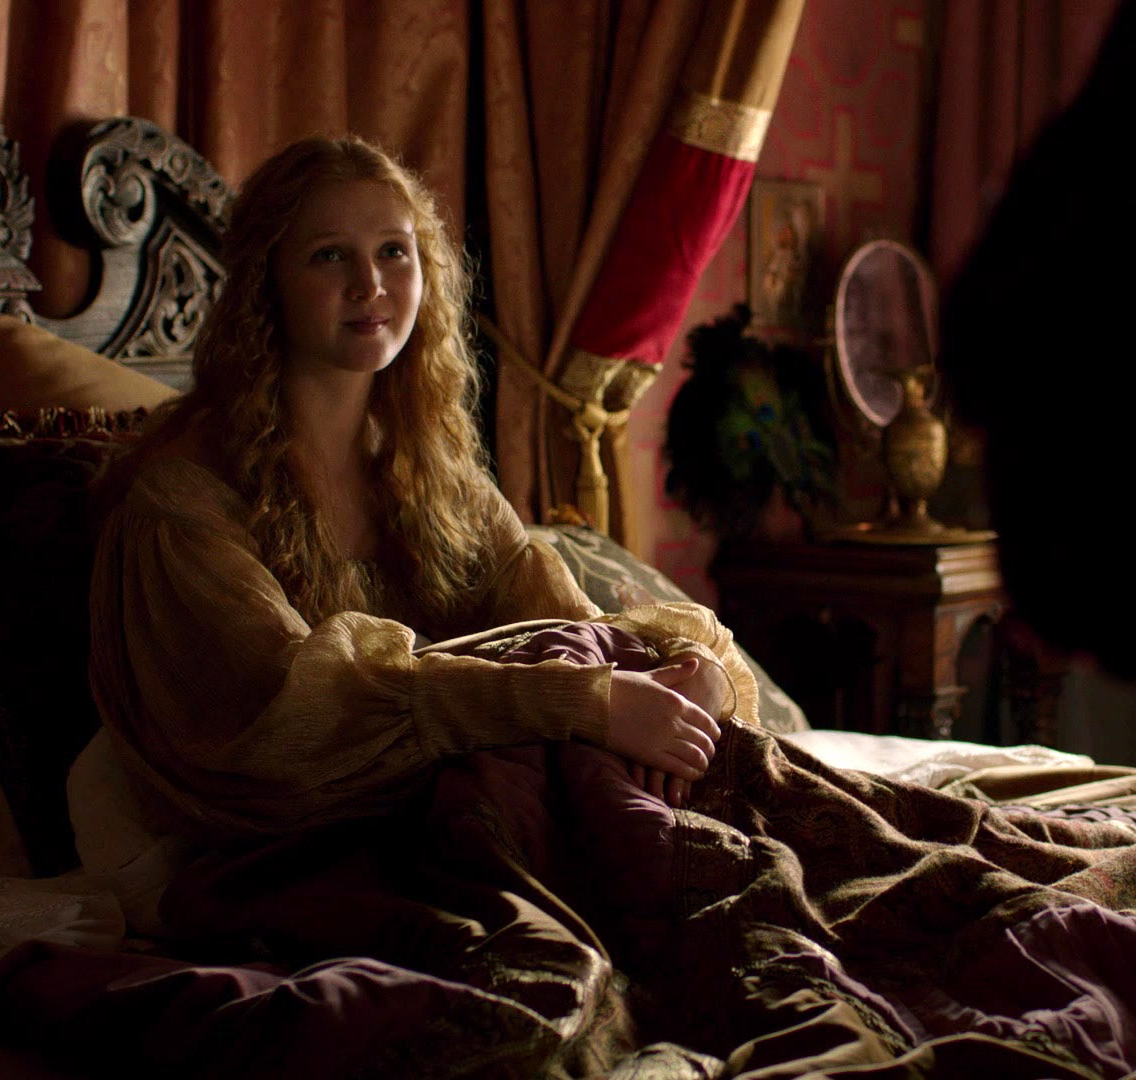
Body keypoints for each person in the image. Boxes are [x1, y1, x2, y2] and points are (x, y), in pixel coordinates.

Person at [70, 135, 757, 895]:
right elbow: (288, 717)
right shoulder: (187, 497)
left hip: (474, 805)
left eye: (394, 251)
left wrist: (690, 679)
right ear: (267, 284)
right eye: (330, 256)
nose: (369, 283)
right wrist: (580, 705)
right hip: (297, 837)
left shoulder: (430, 471)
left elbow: (569, 628)